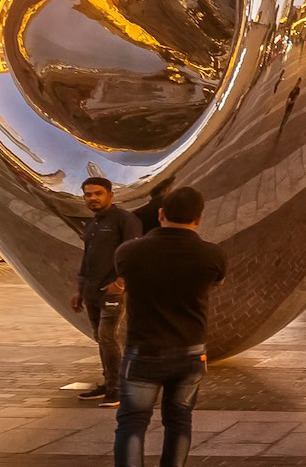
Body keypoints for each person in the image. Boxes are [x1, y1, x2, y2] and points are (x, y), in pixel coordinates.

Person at [112, 184, 227, 467]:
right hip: (190, 351)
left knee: (132, 423)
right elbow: (217, 282)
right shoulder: (213, 255)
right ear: (199, 218)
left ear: (161, 213)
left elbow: (122, 279)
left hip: (143, 351)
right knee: (179, 420)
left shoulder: (129, 252)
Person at [72, 176, 141, 406]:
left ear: (110, 195)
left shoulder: (125, 220)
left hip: (112, 291)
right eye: (88, 194)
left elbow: (134, 253)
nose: (93, 198)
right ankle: (109, 383)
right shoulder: (92, 224)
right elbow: (86, 259)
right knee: (100, 338)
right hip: (92, 291)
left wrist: (120, 283)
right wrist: (79, 290)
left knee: (108, 337)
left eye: (98, 194)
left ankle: (119, 388)